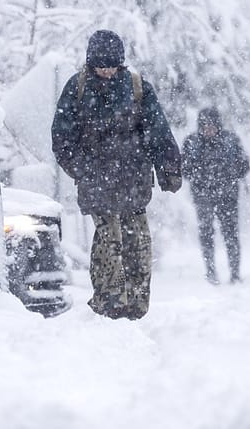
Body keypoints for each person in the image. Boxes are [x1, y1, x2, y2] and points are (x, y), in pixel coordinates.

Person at [51, 30, 182, 320]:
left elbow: (157, 131)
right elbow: (62, 138)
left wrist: (168, 168)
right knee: (109, 241)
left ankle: (136, 304)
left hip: (133, 181)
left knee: (138, 245)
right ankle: (109, 302)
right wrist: (82, 169)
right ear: (91, 63)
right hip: (97, 183)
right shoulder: (78, 88)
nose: (107, 71)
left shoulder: (137, 87)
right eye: (101, 66)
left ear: (120, 63)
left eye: (112, 65)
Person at [182, 108, 250, 284]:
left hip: (227, 197)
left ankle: (235, 273)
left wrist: (231, 172)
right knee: (206, 234)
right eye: (205, 126)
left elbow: (244, 165)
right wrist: (200, 176)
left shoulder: (230, 141)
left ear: (218, 126)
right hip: (203, 197)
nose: (208, 130)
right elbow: (184, 169)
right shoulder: (192, 143)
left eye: (211, 126)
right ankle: (211, 271)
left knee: (230, 234)